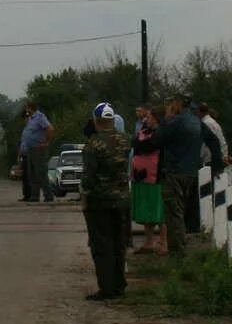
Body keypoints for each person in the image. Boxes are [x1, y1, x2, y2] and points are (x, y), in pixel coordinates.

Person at [134, 93, 205, 254]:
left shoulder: (174, 122)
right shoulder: (196, 121)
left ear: (177, 104)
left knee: (174, 213)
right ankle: (181, 245)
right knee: (183, 210)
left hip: (174, 171)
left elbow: (156, 141)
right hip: (192, 171)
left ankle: (177, 251)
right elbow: (211, 140)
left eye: (171, 103)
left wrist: (163, 122)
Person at [80, 104, 132, 300]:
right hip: (122, 199)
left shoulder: (93, 144)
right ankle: (120, 284)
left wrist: (85, 196)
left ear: (96, 120)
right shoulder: (125, 140)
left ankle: (107, 288)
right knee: (120, 243)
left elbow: (88, 177)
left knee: (102, 245)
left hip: (99, 201)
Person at [130, 106, 165, 256]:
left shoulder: (161, 133)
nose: (146, 119)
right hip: (140, 176)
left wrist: (140, 144)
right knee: (145, 210)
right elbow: (134, 143)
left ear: (156, 118)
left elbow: (148, 146)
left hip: (155, 177)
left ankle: (163, 242)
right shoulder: (144, 131)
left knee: (158, 210)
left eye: (149, 117)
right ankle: (148, 242)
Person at [18, 102, 54, 203]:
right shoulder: (31, 119)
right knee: (32, 174)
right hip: (30, 149)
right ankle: (34, 196)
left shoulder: (40, 117)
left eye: (27, 108)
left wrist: (46, 142)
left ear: (30, 108)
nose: (26, 111)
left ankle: (48, 196)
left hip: (39, 149)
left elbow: (50, 129)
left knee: (41, 172)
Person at [197, 102, 231, 171]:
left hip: (210, 160)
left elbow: (204, 144)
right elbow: (222, 141)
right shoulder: (214, 123)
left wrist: (199, 157)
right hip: (217, 158)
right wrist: (225, 156)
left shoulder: (205, 124)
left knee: (208, 180)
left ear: (199, 112)